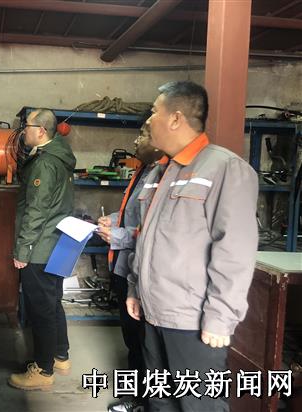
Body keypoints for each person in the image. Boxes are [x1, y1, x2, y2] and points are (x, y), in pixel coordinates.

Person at [126, 81, 258, 411]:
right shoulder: (160, 171)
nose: (149, 120)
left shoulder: (224, 169)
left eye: (154, 111)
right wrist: (134, 288)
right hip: (154, 313)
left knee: (199, 405)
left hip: (192, 321)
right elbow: (145, 237)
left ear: (176, 118)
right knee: (160, 402)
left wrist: (220, 317)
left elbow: (235, 250)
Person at [9, 108, 76, 391]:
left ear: (41, 131)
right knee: (52, 302)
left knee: (41, 310)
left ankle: (43, 370)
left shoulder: (45, 164)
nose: (23, 130)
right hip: (58, 243)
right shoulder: (59, 157)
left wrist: (22, 251)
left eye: (27, 126)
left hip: (40, 248)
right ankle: (60, 356)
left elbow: (36, 211)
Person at [97, 123, 163, 412]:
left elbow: (156, 230)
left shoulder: (166, 173)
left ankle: (146, 402)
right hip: (125, 268)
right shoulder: (144, 170)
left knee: (146, 344)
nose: (136, 141)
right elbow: (133, 214)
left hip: (143, 272)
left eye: (143, 135)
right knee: (133, 340)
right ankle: (135, 398)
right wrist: (113, 219)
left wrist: (120, 235)